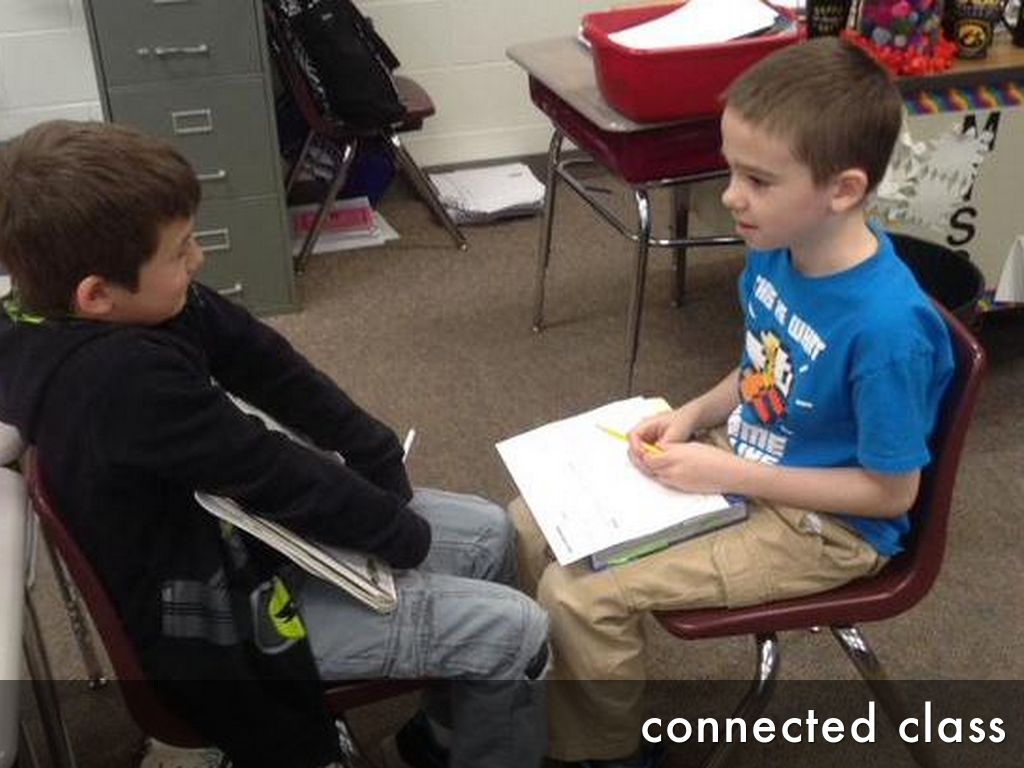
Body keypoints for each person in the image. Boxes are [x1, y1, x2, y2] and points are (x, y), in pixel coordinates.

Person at [0, 120, 548, 768]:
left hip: (236, 536)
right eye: (179, 252)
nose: (197, 260)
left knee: (488, 533)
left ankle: (442, 741)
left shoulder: (129, 306)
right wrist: (397, 534)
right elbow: (271, 470)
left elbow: (266, 363)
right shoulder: (117, 380)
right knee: (515, 632)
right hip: (219, 617)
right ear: (96, 295)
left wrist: (373, 452)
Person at [510, 37, 954, 768]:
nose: (730, 196)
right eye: (731, 169)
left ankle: (607, 754)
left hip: (825, 530)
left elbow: (889, 494)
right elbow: (760, 369)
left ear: (843, 191)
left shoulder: (886, 331)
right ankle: (553, 698)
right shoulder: (781, 246)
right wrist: (692, 414)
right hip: (747, 462)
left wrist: (730, 473)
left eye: (757, 179)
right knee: (531, 523)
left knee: (580, 594)